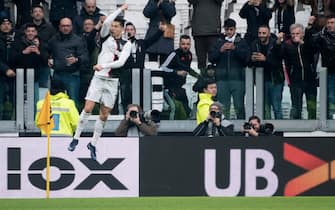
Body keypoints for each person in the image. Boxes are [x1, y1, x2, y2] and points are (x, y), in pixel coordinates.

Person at [67, 4, 132, 161]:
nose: (113, 28)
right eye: (113, 26)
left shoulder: (127, 44)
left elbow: (121, 62)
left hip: (112, 81)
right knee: (88, 107)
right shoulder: (105, 37)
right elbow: (107, 21)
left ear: (122, 29)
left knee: (104, 115)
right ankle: (76, 138)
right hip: (99, 78)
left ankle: (93, 144)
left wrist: (103, 65)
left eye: (117, 27)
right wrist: (120, 9)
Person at [209, 18, 250, 120]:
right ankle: (223, 129)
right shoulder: (218, 42)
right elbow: (211, 58)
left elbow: (246, 58)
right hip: (222, 80)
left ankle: (242, 128)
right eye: (227, 29)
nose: (229, 32)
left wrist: (235, 49)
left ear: (235, 29)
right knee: (223, 107)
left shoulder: (241, 42)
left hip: (238, 79)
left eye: (231, 29)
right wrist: (220, 50)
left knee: (239, 106)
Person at [48, 17, 89, 107]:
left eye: (67, 26)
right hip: (57, 75)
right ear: (59, 27)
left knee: (73, 102)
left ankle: (74, 121)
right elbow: (46, 51)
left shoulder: (78, 40)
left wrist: (76, 59)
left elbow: (85, 57)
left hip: (72, 75)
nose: (65, 28)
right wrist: (48, 58)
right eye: (63, 26)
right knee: (55, 102)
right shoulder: (53, 40)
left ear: (71, 27)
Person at [282, 23, 317, 119]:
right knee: (296, 106)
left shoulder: (308, 44)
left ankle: (313, 126)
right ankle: (295, 127)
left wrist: (302, 43)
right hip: (295, 80)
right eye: (293, 34)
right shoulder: (287, 45)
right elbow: (286, 62)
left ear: (302, 34)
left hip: (310, 80)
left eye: (297, 33)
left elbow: (312, 53)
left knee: (312, 106)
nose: (294, 36)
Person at [17, 5, 56, 89]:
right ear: (31, 14)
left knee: (43, 88)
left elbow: (54, 44)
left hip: (44, 61)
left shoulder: (50, 28)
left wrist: (50, 57)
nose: (38, 13)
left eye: (40, 11)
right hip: (27, 62)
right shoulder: (24, 27)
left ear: (43, 14)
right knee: (27, 89)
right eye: (35, 11)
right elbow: (19, 42)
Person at [250, 25, 285, 119]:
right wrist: (251, 59)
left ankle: (279, 130)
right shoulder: (254, 44)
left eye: (264, 33)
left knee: (276, 106)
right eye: (259, 33)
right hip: (261, 80)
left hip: (275, 79)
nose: (261, 35)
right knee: (265, 107)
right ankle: (266, 130)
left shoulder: (275, 44)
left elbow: (278, 62)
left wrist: (265, 59)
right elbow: (247, 60)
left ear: (269, 34)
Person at [11, 23, 48, 107]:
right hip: (20, 76)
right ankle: (18, 119)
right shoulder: (17, 43)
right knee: (18, 102)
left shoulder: (42, 43)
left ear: (36, 33)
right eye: (28, 31)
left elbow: (46, 62)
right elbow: (12, 60)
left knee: (35, 102)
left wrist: (38, 52)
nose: (30, 33)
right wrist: (23, 52)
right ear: (25, 32)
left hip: (36, 77)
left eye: (33, 31)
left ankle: (36, 119)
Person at [161, 34, 193, 119]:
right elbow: (162, 68)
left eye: (187, 44)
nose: (185, 46)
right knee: (174, 109)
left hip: (180, 87)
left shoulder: (190, 55)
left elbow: (188, 69)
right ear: (179, 44)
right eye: (183, 44)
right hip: (169, 88)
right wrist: (176, 72)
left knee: (187, 110)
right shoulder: (174, 54)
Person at [310, 15, 335, 119]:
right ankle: (330, 119)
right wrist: (309, 27)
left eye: (332, 23)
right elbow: (309, 44)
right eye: (328, 23)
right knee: (330, 97)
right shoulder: (321, 36)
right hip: (329, 72)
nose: (329, 25)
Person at [188, 0, 224, 71]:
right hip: (198, 32)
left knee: (214, 60)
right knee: (201, 63)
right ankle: (203, 79)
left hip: (213, 31)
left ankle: (214, 81)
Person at [143, 0, 176, 64]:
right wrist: (156, 4)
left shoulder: (169, 1)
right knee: (152, 63)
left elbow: (171, 13)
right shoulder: (152, 1)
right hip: (153, 34)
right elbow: (146, 13)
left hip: (166, 34)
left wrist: (163, 2)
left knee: (164, 63)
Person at [0, 17, 15, 120]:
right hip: (1, 75)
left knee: (13, 101)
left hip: (15, 75)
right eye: (4, 24)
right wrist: (6, 69)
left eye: (8, 24)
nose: (6, 26)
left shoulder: (17, 39)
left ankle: (12, 122)